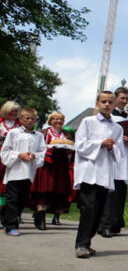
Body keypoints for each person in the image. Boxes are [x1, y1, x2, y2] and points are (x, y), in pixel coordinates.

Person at [73, 91, 123, 258]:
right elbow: (79, 145)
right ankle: (81, 244)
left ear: (114, 104)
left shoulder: (117, 128)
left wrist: (111, 147)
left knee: (99, 209)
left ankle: (87, 242)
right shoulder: (88, 122)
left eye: (110, 102)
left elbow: (119, 152)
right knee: (88, 208)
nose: (107, 105)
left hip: (104, 173)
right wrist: (99, 144)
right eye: (103, 101)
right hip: (89, 171)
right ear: (97, 103)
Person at [98, 87, 128, 238]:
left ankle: (116, 224)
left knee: (119, 191)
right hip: (109, 157)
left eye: (126, 98)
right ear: (115, 98)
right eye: (121, 98)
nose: (124, 101)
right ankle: (104, 225)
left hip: (123, 159)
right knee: (107, 191)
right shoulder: (107, 118)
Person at [0, 107, 46, 236]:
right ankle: (11, 226)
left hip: (29, 171)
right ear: (21, 119)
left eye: (33, 118)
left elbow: (42, 152)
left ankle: (5, 219)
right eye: (27, 118)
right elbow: (5, 151)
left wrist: (34, 155)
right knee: (12, 198)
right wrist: (19, 154)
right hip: (15, 170)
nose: (30, 120)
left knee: (22, 199)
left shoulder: (39, 135)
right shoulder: (13, 133)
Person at [29, 112, 74, 229]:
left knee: (58, 191)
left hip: (61, 165)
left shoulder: (66, 135)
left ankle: (52, 215)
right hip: (47, 165)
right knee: (44, 191)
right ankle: (40, 217)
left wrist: (70, 150)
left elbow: (71, 148)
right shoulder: (43, 133)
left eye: (61, 119)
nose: (58, 121)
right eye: (55, 119)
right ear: (50, 121)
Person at [0, 101, 22, 217]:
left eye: (16, 111)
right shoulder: (0, 124)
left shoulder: (20, 125)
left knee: (9, 184)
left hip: (14, 156)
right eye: (12, 111)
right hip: (0, 154)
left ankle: (5, 212)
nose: (14, 113)